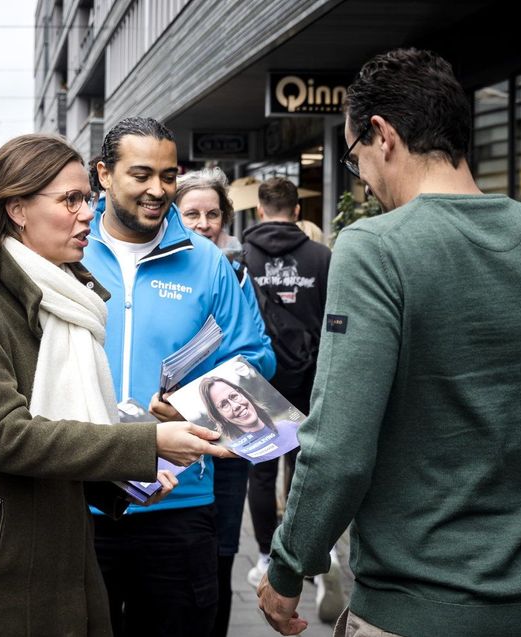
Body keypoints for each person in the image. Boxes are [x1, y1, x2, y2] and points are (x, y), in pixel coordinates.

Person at [257, 48, 521, 637]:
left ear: (382, 135)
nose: (363, 182)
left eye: (354, 161)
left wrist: (290, 566)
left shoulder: (375, 248)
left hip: (413, 609)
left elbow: (338, 449)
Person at [0, 133, 228, 635]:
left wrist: (127, 482)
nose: (86, 215)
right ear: (17, 210)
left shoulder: (72, 298)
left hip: (62, 547)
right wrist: (148, 442)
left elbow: (69, 430)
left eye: (87, 200)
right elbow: (9, 437)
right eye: (70, 200)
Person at [84, 117, 275, 637]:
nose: (158, 190)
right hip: (77, 496)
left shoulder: (208, 262)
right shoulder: (68, 251)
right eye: (141, 174)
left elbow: (254, 358)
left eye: (168, 176)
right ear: (103, 174)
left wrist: (196, 405)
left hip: (180, 502)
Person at [239, 177, 338, 619]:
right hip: (312, 376)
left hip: (260, 378)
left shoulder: (242, 256)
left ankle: (264, 555)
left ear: (260, 211)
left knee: (261, 469)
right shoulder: (322, 256)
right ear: (298, 211)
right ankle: (310, 558)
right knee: (305, 468)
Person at [175, 167, 266, 637]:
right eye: (191, 213)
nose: (203, 223)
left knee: (219, 559)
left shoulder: (238, 273)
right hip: (169, 438)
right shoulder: (157, 273)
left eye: (213, 214)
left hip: (227, 440)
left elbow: (262, 356)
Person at [198, 377, 298, 463]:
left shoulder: (290, 426)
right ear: (220, 418)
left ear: (243, 394)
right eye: (224, 405)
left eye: (234, 396)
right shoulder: (238, 456)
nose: (235, 406)